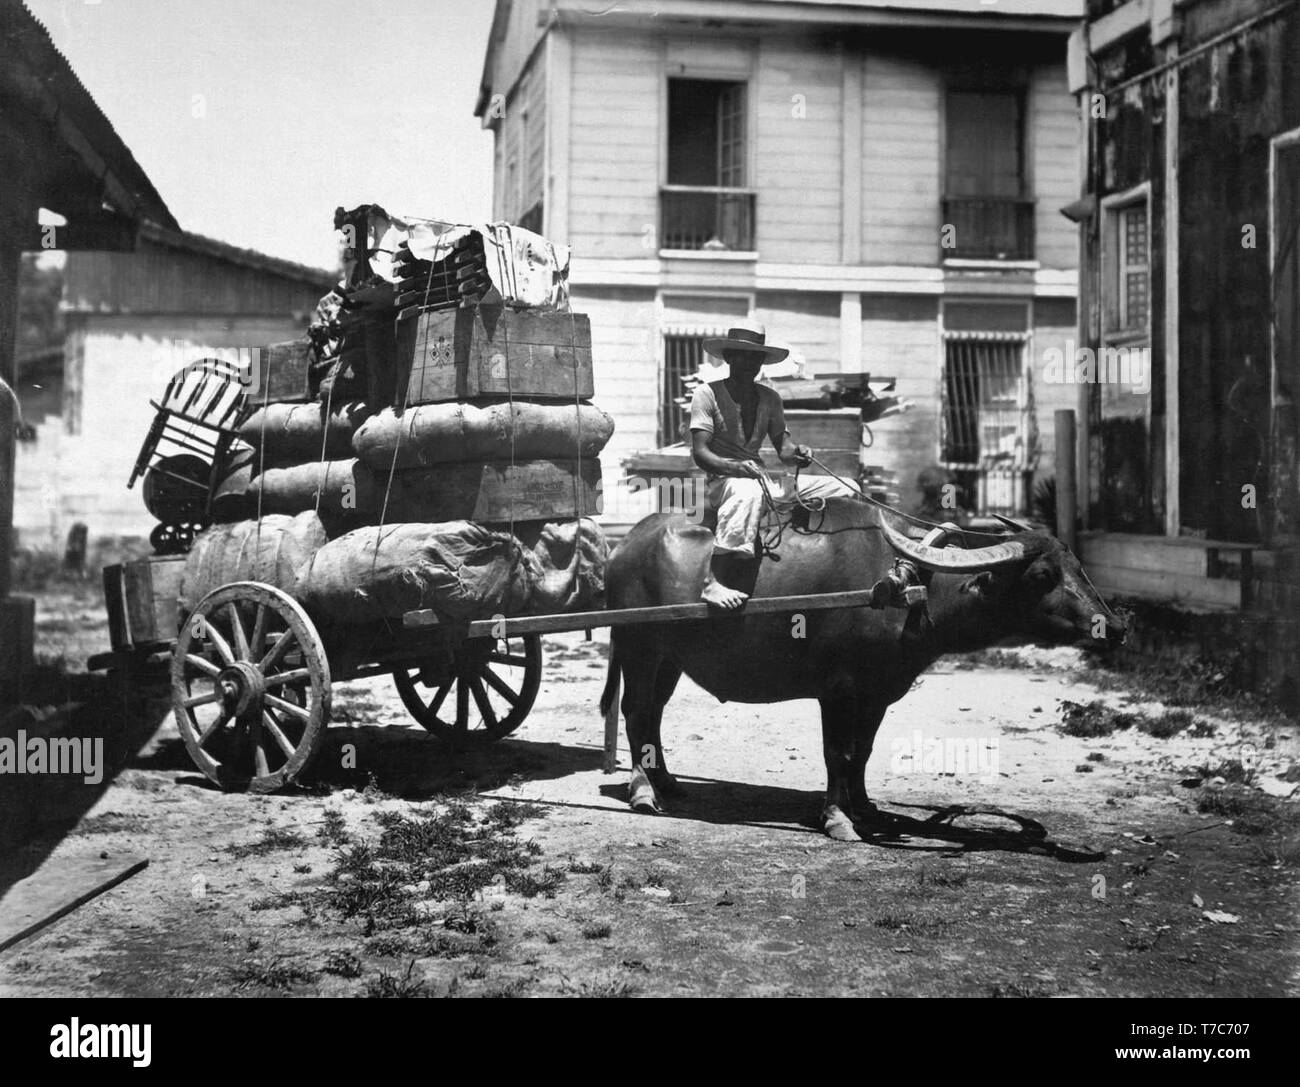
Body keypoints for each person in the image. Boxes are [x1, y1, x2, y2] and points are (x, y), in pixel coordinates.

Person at [689, 321, 862, 609]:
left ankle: (820, 556)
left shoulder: (770, 398)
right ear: (729, 358)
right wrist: (735, 468)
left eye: (756, 357)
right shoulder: (706, 394)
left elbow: (784, 451)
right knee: (747, 492)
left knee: (848, 487)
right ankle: (713, 580)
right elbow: (700, 453)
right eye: (743, 356)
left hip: (759, 478)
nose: (750, 363)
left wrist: (800, 453)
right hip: (722, 481)